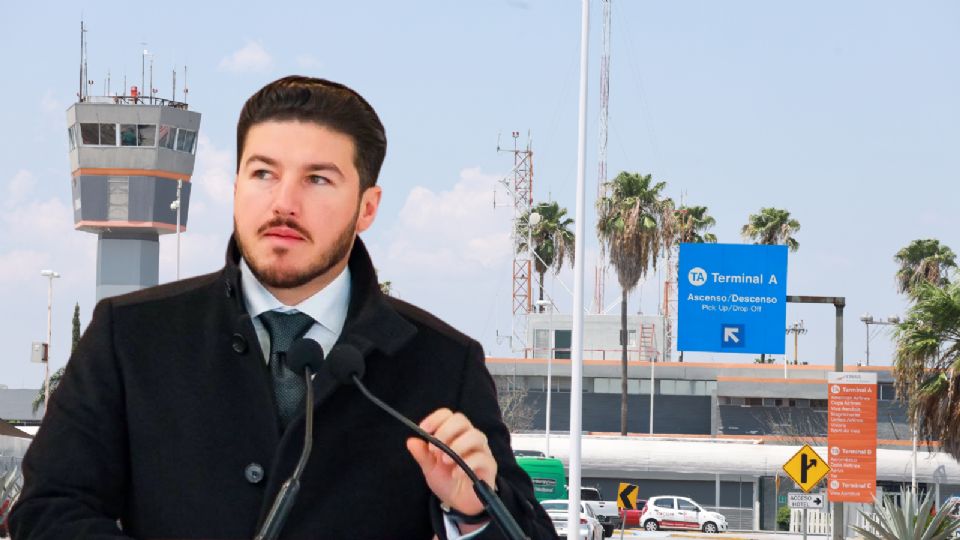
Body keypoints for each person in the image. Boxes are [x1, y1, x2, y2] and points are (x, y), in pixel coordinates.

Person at [10, 76, 557, 539]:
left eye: (318, 179)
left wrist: (475, 511)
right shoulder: (128, 337)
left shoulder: (442, 362)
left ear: (367, 207)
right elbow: (47, 510)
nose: (283, 203)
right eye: (263, 173)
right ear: (235, 186)